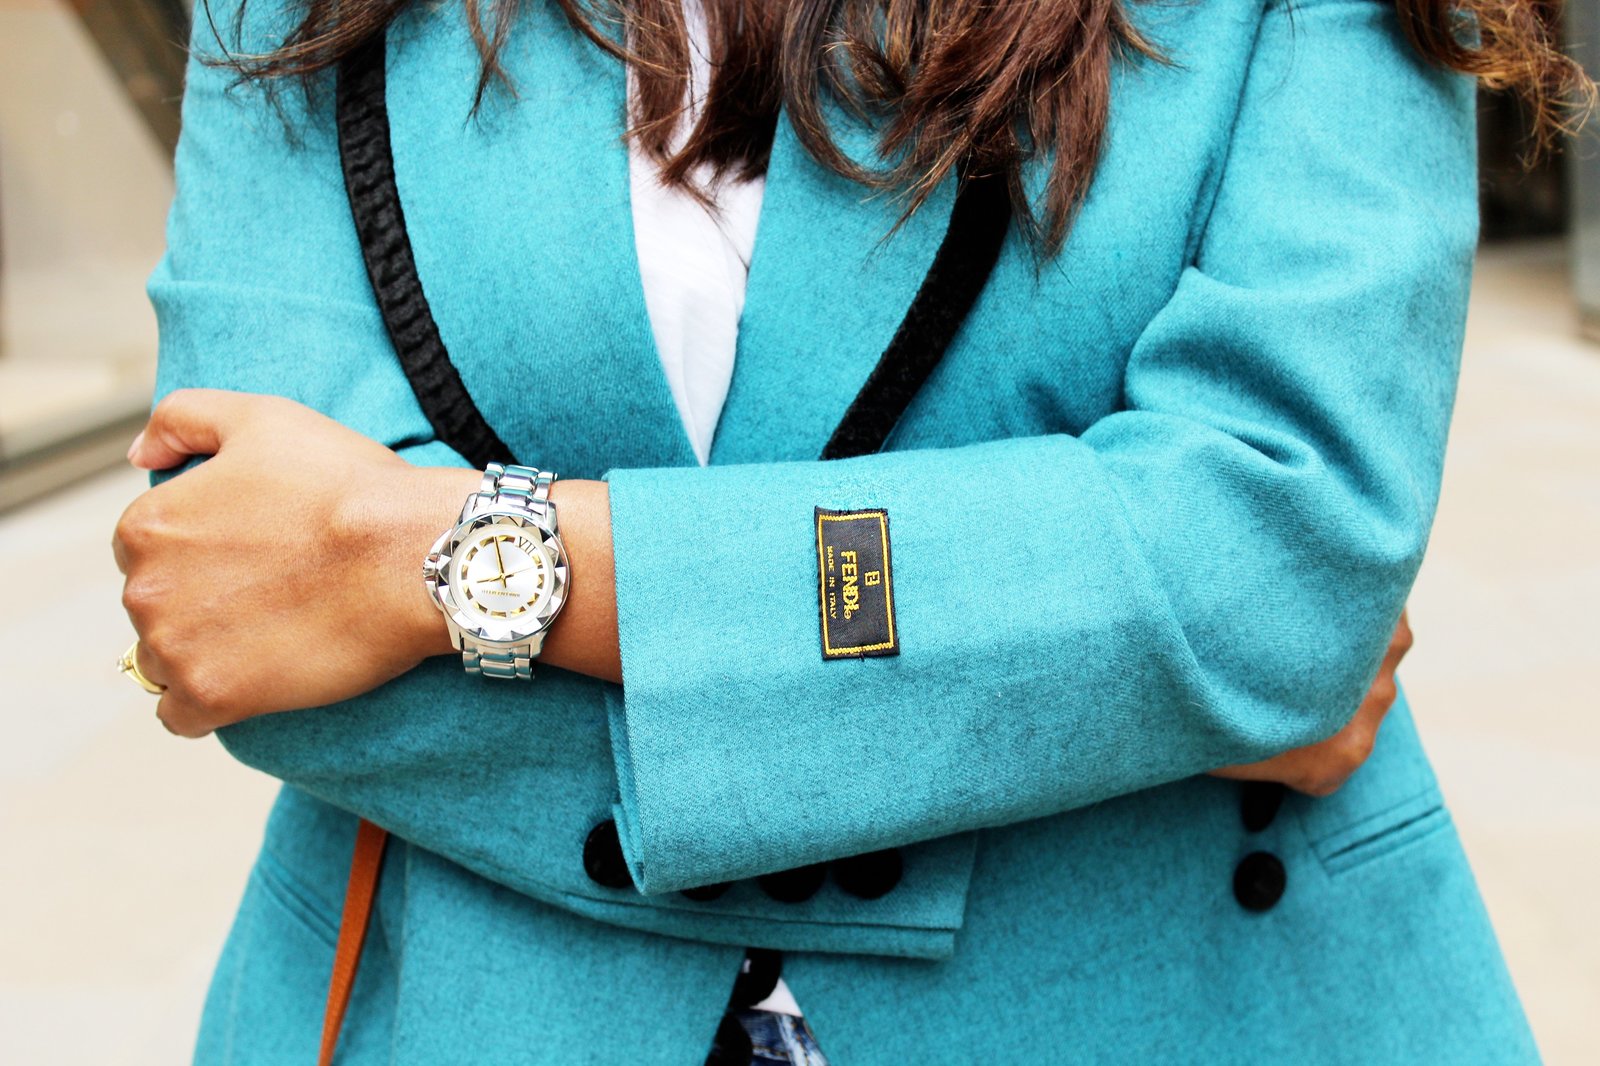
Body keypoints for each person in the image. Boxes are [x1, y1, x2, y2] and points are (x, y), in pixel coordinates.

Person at [111, 0, 1583, 1061]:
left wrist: (445, 562)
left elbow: (1275, 569)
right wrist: (1112, 693)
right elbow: (238, 587)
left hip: (1174, 998)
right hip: (481, 1010)